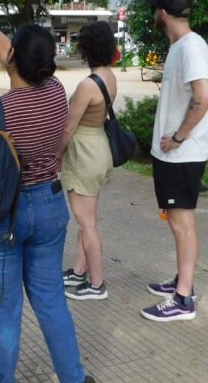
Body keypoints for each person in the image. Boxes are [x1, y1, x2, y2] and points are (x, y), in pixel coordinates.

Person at [0, 0, 91, 383]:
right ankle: (73, 378)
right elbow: (14, 54)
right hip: (49, 206)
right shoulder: (56, 91)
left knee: (4, 311)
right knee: (51, 303)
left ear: (12, 57)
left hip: (5, 218)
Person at [141, 0, 208, 322]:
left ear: (164, 14)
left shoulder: (191, 47)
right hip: (173, 154)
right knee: (178, 222)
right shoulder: (180, 46)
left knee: (181, 223)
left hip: (182, 155)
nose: (154, 15)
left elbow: (204, 95)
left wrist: (179, 137)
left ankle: (183, 299)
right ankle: (183, 281)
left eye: (156, 10)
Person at [58, 22, 117, 301]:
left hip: (84, 152)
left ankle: (96, 284)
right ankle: (79, 271)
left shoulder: (87, 85)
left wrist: (56, 156)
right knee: (88, 219)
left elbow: (68, 128)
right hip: (99, 148)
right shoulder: (110, 76)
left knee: (86, 223)